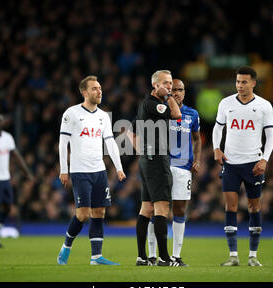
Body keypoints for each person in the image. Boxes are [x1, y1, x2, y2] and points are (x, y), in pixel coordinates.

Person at [57, 75, 126, 265]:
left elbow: (110, 143)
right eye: (95, 88)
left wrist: (118, 168)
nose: (99, 91)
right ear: (84, 92)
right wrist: (64, 169)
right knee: (83, 214)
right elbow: (63, 143)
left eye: (100, 88)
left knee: (99, 213)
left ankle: (96, 257)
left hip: (99, 171)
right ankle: (66, 247)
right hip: (80, 171)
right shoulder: (71, 113)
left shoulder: (104, 116)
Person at [212, 66, 273, 267]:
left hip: (253, 164)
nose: (240, 85)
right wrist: (216, 148)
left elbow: (271, 136)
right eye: (238, 81)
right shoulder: (226, 103)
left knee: (253, 207)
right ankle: (233, 255)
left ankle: (253, 256)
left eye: (244, 82)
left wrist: (264, 159)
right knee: (230, 206)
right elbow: (217, 128)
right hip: (230, 163)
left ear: (254, 83)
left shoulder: (265, 106)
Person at [129, 70, 182, 267]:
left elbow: (130, 131)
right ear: (155, 85)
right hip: (157, 160)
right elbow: (176, 114)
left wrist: (141, 151)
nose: (169, 87)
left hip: (147, 159)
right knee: (162, 208)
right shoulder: (155, 105)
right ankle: (164, 259)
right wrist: (168, 97)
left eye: (170, 84)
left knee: (146, 208)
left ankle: (142, 257)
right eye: (166, 83)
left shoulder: (145, 105)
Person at [146, 79, 201, 266]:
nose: (177, 92)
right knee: (157, 210)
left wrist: (198, 159)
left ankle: (176, 256)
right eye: (174, 89)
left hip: (184, 167)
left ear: (185, 92)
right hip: (163, 165)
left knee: (179, 210)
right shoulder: (161, 109)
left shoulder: (192, 114)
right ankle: (152, 255)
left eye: (180, 90)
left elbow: (197, 139)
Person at [0, 114, 34, 248]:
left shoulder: (8, 138)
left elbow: (16, 155)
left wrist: (26, 172)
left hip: (5, 177)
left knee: (8, 207)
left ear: (3, 123)